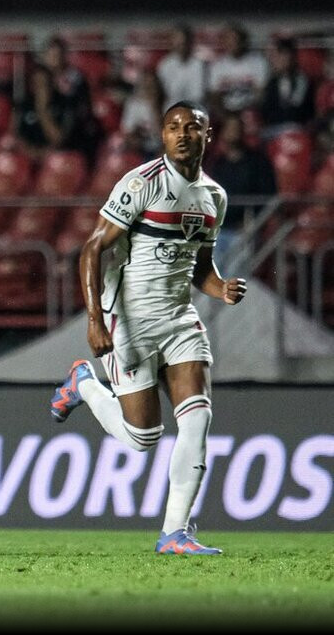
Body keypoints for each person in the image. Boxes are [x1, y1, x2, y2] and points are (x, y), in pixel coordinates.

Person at [49, 100, 247, 556]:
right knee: (143, 439)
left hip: (180, 320)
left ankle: (175, 533)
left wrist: (221, 290)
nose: (182, 134)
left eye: (191, 127)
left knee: (198, 419)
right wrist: (95, 320)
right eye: (173, 127)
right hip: (129, 320)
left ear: (207, 136)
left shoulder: (214, 197)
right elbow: (91, 250)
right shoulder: (141, 184)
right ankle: (85, 383)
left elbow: (200, 268)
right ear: (162, 136)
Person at [205, 112, 277, 270]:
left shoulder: (257, 161)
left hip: (242, 231)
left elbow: (268, 193)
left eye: (236, 128)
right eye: (229, 128)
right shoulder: (218, 164)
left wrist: (255, 220)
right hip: (218, 230)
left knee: (235, 280)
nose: (233, 132)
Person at [260, 35, 315, 140]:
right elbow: (266, 110)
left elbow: (298, 108)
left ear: (292, 56)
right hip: (274, 128)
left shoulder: (302, 80)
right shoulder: (272, 83)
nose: (276, 60)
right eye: (275, 56)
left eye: (282, 55)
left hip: (297, 127)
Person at [206, 23, 267, 117]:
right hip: (226, 111)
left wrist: (248, 111)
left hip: (250, 110)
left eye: (235, 39)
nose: (232, 43)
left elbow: (260, 93)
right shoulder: (218, 65)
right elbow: (214, 95)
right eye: (228, 39)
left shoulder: (258, 62)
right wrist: (223, 113)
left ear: (242, 41)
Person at [157, 24, 207, 107]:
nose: (181, 44)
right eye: (178, 40)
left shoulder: (199, 64)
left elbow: (199, 95)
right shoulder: (165, 64)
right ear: (173, 41)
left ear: (190, 42)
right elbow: (163, 94)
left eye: (184, 40)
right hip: (171, 111)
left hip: (194, 110)